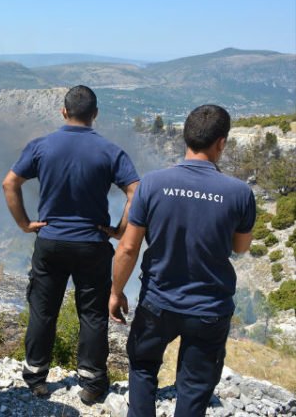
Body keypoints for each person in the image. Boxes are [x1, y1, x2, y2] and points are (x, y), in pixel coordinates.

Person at [109, 105, 255, 416]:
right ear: (221, 143)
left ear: (185, 138)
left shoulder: (153, 183)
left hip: (157, 303)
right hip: (209, 309)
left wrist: (115, 292)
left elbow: (127, 248)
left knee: (143, 366)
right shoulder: (239, 193)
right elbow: (241, 247)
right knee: (194, 387)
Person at [2, 85, 139, 403]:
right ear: (95, 115)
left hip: (50, 241)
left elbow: (10, 183)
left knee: (43, 310)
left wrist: (24, 224)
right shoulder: (110, 151)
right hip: (92, 243)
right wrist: (119, 229)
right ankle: (91, 383)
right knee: (92, 314)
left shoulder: (41, 146)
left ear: (63, 112)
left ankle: (36, 378)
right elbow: (135, 190)